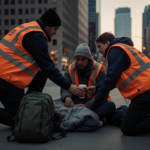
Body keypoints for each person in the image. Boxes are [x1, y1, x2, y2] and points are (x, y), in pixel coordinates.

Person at [0, 8, 84, 126]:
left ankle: (29, 105)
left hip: (10, 73)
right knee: (22, 119)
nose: (55, 33)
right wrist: (69, 86)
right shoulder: (36, 36)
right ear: (48, 25)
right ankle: (26, 110)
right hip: (5, 78)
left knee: (41, 75)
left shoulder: (30, 29)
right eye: (55, 29)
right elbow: (48, 67)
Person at [87, 32, 150, 136]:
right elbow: (115, 80)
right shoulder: (123, 48)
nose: (98, 50)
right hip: (145, 92)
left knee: (128, 127)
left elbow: (111, 78)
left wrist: (95, 104)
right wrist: (97, 88)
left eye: (99, 46)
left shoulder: (114, 49)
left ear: (107, 43)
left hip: (145, 93)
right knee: (132, 118)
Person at [61, 43, 116, 130]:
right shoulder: (70, 69)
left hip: (95, 102)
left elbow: (103, 95)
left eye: (83, 59)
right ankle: (91, 116)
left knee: (111, 106)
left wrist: (86, 106)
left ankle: (77, 114)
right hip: (76, 102)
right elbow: (65, 87)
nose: (79, 62)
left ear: (89, 59)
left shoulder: (99, 70)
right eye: (77, 59)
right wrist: (67, 97)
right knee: (59, 102)